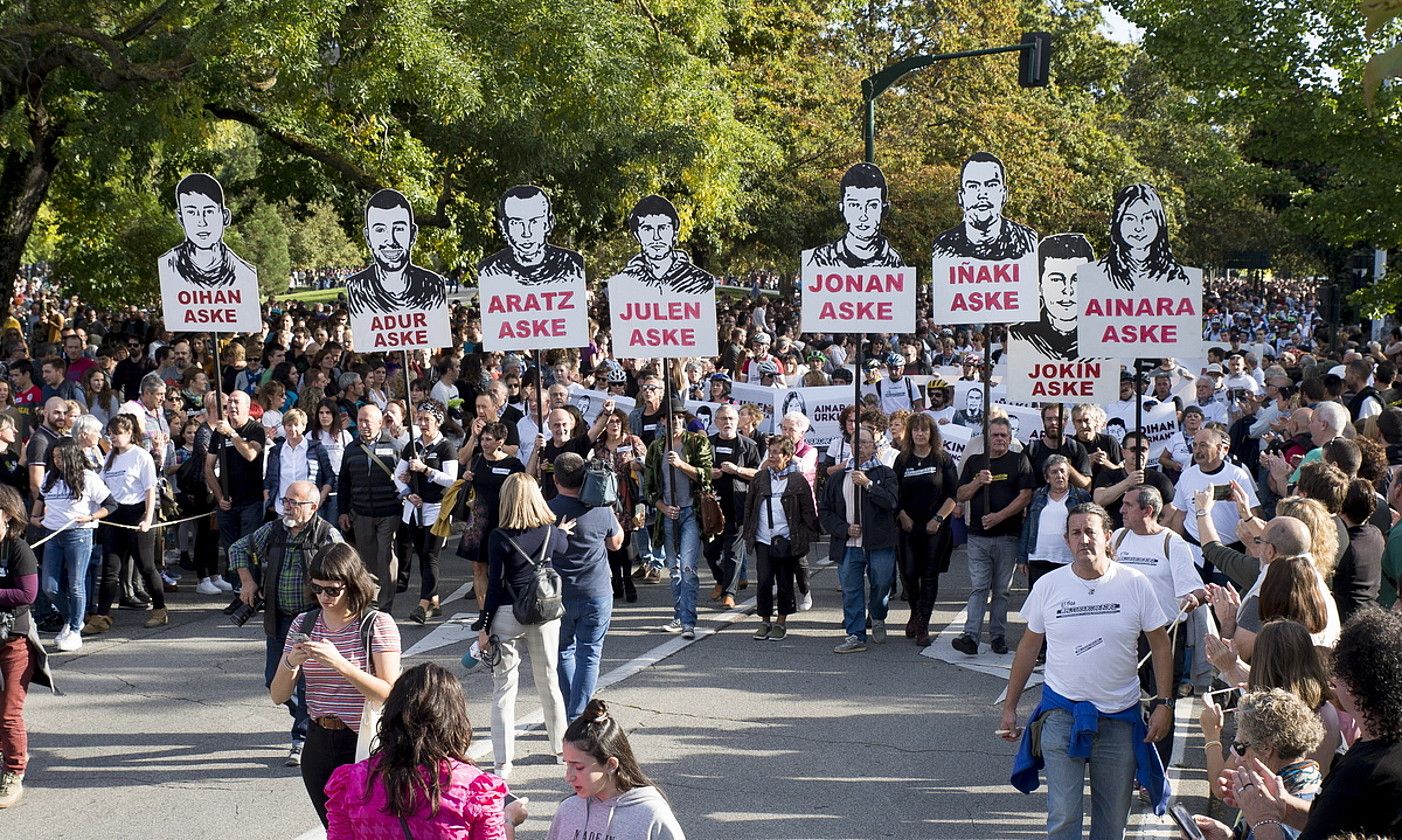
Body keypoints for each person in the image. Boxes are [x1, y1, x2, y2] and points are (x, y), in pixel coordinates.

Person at [1004, 503, 1175, 840]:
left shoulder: (1135, 583)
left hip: (1120, 719)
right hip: (1061, 714)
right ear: (1067, 541)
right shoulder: (1049, 586)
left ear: (1108, 537)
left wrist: (1164, 704)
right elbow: (1027, 648)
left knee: (1111, 824)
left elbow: (1160, 644)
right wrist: (1010, 706)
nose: (1084, 539)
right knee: (1064, 815)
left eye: (1091, 532)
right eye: (1076, 533)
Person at [1226, 609, 1402, 840]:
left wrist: (1263, 820)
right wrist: (1282, 807)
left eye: (1338, 672)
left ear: (1353, 685)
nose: (1332, 680)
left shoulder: (1362, 772)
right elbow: (1332, 818)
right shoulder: (1382, 747)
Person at [272, 543, 400, 827]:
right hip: (318, 741)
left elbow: (390, 694)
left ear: (352, 584)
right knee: (336, 830)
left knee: (370, 829)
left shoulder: (376, 624)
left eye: (332, 589)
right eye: (317, 588)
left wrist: (340, 663)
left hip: (364, 743)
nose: (323, 597)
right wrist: (291, 662)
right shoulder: (303, 624)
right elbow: (278, 694)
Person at [324, 662, 522, 840]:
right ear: (455, 721)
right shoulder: (475, 789)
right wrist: (509, 821)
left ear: (391, 716)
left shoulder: (351, 782)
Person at [229, 479, 344, 767]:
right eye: (286, 501)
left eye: (295, 502)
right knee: (274, 682)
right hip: (278, 619)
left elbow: (346, 572)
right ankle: (312, 721)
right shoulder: (275, 529)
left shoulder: (326, 535)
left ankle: (301, 738)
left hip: (312, 621)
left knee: (306, 684)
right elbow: (237, 549)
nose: (288, 507)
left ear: (314, 507)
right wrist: (247, 581)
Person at [475, 473, 569, 780]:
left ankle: (503, 762)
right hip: (544, 613)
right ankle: (559, 750)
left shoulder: (498, 537)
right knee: (549, 681)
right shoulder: (550, 531)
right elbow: (564, 547)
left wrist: (484, 625)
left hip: (507, 613)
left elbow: (494, 586)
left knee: (504, 688)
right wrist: (560, 531)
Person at [1192, 688, 1324, 840]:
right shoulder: (1306, 778)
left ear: (1267, 747)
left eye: (1240, 748)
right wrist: (1225, 836)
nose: (1237, 760)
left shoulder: (1285, 806)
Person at [549, 452, 623, 721]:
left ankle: (571, 713)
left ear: (556, 480)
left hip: (558, 595)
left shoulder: (546, 510)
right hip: (597, 591)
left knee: (562, 653)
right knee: (589, 654)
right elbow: (616, 544)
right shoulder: (601, 509)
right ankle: (578, 714)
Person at [952, 417, 1034, 655]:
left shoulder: (1019, 460)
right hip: (977, 536)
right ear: (987, 439)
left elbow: (1025, 495)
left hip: (1007, 536)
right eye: (995, 435)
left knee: (1001, 590)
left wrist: (999, 516)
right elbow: (961, 493)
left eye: (1003, 435)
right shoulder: (976, 461)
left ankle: (998, 636)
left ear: (1010, 438)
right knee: (978, 587)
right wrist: (978, 481)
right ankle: (971, 636)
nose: (999, 439)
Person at [549, 698, 685, 840]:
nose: (568, 776)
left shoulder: (650, 814)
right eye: (567, 764)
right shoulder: (568, 810)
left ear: (611, 765)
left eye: (578, 767)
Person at [819, 424, 900, 653]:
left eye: (865, 442)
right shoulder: (838, 478)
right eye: (856, 443)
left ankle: (878, 614)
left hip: (879, 543)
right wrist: (844, 528)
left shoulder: (885, 473)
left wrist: (868, 485)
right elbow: (825, 511)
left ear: (874, 446)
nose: (860, 447)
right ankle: (855, 635)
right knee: (851, 589)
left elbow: (892, 503)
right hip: (849, 545)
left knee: (881, 583)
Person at [31, 439, 114, 652]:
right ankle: (71, 619)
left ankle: (75, 629)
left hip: (79, 534)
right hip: (52, 535)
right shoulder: (50, 477)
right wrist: (34, 516)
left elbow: (111, 504)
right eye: (54, 457)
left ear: (71, 456)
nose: (57, 461)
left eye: (61, 457)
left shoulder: (88, 477)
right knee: (49, 586)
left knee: (76, 583)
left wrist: (91, 517)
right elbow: (40, 497)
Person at [86, 414, 166, 634]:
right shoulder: (110, 456)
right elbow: (100, 486)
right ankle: (102, 615)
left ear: (130, 433)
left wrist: (148, 519)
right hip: (114, 515)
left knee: (146, 566)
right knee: (110, 569)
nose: (114, 437)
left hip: (137, 513)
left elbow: (150, 489)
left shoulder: (141, 456)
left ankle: (159, 609)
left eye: (118, 433)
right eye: (111, 433)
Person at [0, 484, 54, 809]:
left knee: (8, 714)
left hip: (14, 642)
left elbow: (27, 595)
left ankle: (14, 772)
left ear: (7, 515)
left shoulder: (18, 549)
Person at [643, 401, 713, 640]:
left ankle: (688, 621)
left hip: (691, 513)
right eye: (668, 418)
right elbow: (650, 488)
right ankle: (679, 614)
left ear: (683, 419)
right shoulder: (656, 447)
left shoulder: (697, 442)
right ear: (661, 421)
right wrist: (661, 505)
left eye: (678, 417)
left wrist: (682, 465)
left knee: (688, 568)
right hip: (668, 514)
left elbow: (706, 476)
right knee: (673, 570)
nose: (673, 421)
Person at [892, 412, 958, 647]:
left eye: (925, 430)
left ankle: (923, 624)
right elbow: (894, 493)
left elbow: (953, 494)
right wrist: (902, 515)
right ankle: (915, 610)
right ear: (910, 433)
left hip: (935, 528)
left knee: (929, 575)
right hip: (908, 526)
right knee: (909, 573)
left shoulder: (942, 459)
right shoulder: (902, 460)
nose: (920, 434)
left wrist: (939, 518)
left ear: (932, 433)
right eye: (916, 430)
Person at [744, 435, 819, 641]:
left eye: (777, 452)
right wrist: (748, 533)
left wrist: (805, 537)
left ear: (788, 456)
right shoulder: (760, 478)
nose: (772, 456)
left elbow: (807, 512)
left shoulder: (797, 480)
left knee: (785, 581)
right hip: (763, 539)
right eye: (770, 452)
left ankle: (781, 622)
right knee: (764, 580)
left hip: (787, 539)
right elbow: (750, 507)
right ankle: (765, 620)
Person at [394, 400, 459, 624]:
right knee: (422, 555)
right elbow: (397, 474)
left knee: (431, 556)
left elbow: (450, 480)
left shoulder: (446, 447)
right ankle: (436, 601)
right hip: (414, 508)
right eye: (419, 419)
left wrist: (426, 470)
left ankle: (423, 604)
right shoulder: (412, 446)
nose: (422, 424)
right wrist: (407, 492)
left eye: (427, 420)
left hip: (436, 509)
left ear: (438, 422)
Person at [337, 405, 404, 612]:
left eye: (367, 421)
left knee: (386, 556)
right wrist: (343, 511)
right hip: (361, 512)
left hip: (388, 512)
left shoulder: (394, 446)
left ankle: (385, 605)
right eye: (360, 420)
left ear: (379, 422)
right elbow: (344, 483)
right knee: (366, 558)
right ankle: (372, 598)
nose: (363, 425)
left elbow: (403, 478)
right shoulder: (351, 448)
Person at [1168, 426, 1261, 575]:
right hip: (1194, 554)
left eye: (1203, 445)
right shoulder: (1186, 476)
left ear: (1219, 448)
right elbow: (1180, 514)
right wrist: (1174, 550)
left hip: (1228, 556)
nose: (1197, 450)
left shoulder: (1237, 475)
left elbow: (1253, 513)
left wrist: (1252, 551)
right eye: (1195, 445)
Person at [344, 189, 448, 317]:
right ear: (368, 236)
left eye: (399, 229)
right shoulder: (356, 289)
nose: (390, 240)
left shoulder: (434, 286)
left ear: (413, 234)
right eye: (380, 230)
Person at [929, 151, 1037, 260]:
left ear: (1004, 194)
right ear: (961, 197)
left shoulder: (1028, 242)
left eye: (991, 185)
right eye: (973, 186)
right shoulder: (943, 248)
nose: (982, 194)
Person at [157, 173, 258, 289]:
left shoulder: (244, 274)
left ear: (225, 217)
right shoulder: (168, 266)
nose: (202, 222)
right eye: (191, 212)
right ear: (181, 218)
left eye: (209, 212)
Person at [205, 390, 268, 572]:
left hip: (251, 502)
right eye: (229, 402)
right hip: (227, 504)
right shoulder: (218, 434)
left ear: (248, 408)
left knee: (249, 551)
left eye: (236, 402)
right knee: (231, 551)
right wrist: (219, 497)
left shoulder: (255, 430)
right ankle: (237, 592)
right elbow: (208, 467)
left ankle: (253, 595)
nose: (232, 406)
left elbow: (251, 454)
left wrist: (232, 433)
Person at [706, 404, 761, 610]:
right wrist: (708, 472)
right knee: (710, 552)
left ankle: (729, 592)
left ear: (738, 421)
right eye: (722, 419)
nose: (727, 423)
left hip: (738, 505)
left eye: (730, 419)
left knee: (734, 552)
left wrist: (737, 470)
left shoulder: (749, 445)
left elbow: (758, 474)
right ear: (715, 421)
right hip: (711, 507)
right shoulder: (707, 443)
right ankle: (720, 579)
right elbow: (697, 468)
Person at [1008, 233, 1095, 361]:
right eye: (1056, 279)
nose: (1068, 290)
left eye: (1076, 279)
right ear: (1039, 285)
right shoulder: (1019, 336)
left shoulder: (1101, 337)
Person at [479, 185, 585, 286]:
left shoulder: (573, 266)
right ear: (503, 227)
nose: (526, 233)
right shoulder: (488, 271)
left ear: (549, 223)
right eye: (516, 222)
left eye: (535, 222)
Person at [592, 407, 646, 602]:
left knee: (626, 540)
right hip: (606, 499)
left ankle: (628, 579)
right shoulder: (598, 447)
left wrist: (636, 464)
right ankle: (616, 580)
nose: (613, 425)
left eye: (617, 421)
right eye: (610, 421)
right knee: (610, 541)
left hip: (628, 495)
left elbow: (646, 464)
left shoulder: (632, 442)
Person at [805, 162, 904, 267]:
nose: (863, 216)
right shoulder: (822, 260)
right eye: (854, 205)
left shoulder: (895, 264)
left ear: (884, 209)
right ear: (842, 208)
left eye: (872, 206)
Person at [612, 195, 716, 293]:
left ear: (674, 233)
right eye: (647, 229)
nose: (656, 237)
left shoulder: (701, 282)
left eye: (663, 228)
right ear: (637, 235)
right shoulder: (623, 283)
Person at [1018, 455, 1093, 591]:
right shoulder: (1037, 496)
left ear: (1068, 475)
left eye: (1062, 471)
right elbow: (1028, 526)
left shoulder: (1081, 496)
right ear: (1047, 478)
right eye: (1054, 472)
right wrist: (1022, 558)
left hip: (1068, 559)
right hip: (1039, 558)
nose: (1059, 475)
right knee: (1039, 601)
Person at [1097, 182, 1189, 291]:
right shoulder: (1099, 274)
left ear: (1159, 223)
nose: (1139, 227)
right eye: (1130, 219)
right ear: (1117, 222)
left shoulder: (1176, 278)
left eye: (1147, 218)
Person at [1092, 430, 1175, 528]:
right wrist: (1127, 482)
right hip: (1117, 535)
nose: (1138, 453)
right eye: (1133, 449)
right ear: (1123, 452)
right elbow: (1099, 499)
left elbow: (1171, 513)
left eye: (1143, 449)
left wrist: (1154, 534)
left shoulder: (1159, 479)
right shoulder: (1109, 475)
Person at [264, 409, 335, 523]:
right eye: (289, 425)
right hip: (283, 510)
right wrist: (269, 500)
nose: (293, 429)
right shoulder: (276, 451)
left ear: (304, 426)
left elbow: (329, 476)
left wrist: (320, 498)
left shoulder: (316, 448)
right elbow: (268, 480)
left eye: (296, 425)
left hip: (310, 510)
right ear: (284, 427)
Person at [1334, 477, 1383, 623]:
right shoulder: (1376, 534)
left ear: (1341, 508)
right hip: (1371, 614)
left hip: (1347, 621)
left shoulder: (1345, 547)